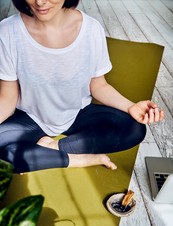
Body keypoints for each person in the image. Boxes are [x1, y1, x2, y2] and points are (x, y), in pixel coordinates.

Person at [0, 0, 164, 174]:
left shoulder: (91, 29)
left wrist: (131, 106)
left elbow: (98, 85)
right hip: (31, 117)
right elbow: (8, 97)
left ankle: (53, 148)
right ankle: (80, 159)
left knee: (134, 129)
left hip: (77, 112)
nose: (40, 2)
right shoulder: (8, 31)